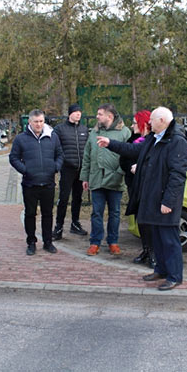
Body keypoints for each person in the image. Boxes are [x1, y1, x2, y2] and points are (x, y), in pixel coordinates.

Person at [96, 106, 187, 290]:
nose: (149, 123)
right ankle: (161, 269)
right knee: (157, 238)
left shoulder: (176, 141)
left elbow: (177, 174)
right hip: (151, 197)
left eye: (152, 120)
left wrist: (168, 201)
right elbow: (133, 149)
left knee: (169, 240)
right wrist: (110, 143)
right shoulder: (154, 138)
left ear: (162, 121)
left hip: (164, 200)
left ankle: (174, 275)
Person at [9, 109, 64, 256]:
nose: (39, 124)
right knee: (30, 214)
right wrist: (25, 170)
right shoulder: (21, 139)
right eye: (36, 122)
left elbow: (60, 154)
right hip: (30, 183)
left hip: (48, 183)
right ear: (30, 122)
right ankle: (31, 242)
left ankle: (48, 242)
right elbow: (13, 158)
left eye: (41, 121)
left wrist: (55, 167)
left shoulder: (53, 137)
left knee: (47, 214)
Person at [80, 103, 131, 256]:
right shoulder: (94, 132)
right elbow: (87, 155)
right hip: (96, 179)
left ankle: (113, 242)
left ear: (110, 116)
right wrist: (85, 177)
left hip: (115, 180)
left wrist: (120, 172)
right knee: (96, 213)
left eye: (100, 114)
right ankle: (95, 242)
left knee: (115, 213)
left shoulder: (124, 132)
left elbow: (129, 156)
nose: (97, 116)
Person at [119, 110, 156, 268]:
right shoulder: (133, 138)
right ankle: (146, 250)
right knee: (140, 219)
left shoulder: (152, 141)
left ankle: (154, 253)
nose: (132, 125)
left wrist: (140, 167)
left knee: (149, 220)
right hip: (134, 183)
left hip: (147, 186)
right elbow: (125, 156)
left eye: (135, 122)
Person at [52, 104, 89, 240]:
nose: (78, 114)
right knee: (63, 198)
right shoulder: (60, 129)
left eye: (80, 112)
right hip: (67, 169)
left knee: (78, 198)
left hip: (81, 169)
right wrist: (59, 163)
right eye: (75, 112)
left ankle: (75, 223)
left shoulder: (84, 129)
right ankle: (58, 226)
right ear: (70, 114)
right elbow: (54, 147)